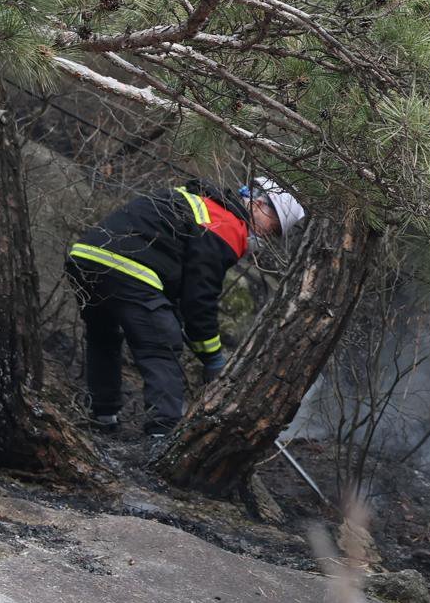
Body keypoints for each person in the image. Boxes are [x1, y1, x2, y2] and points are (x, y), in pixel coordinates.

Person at [64, 176, 305, 436]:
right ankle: (161, 434)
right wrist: (212, 358)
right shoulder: (226, 225)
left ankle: (104, 418)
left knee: (104, 338)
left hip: (86, 260)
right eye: (273, 227)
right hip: (127, 269)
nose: (268, 235)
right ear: (258, 205)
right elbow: (199, 298)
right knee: (161, 344)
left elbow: (176, 276)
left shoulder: (200, 202)